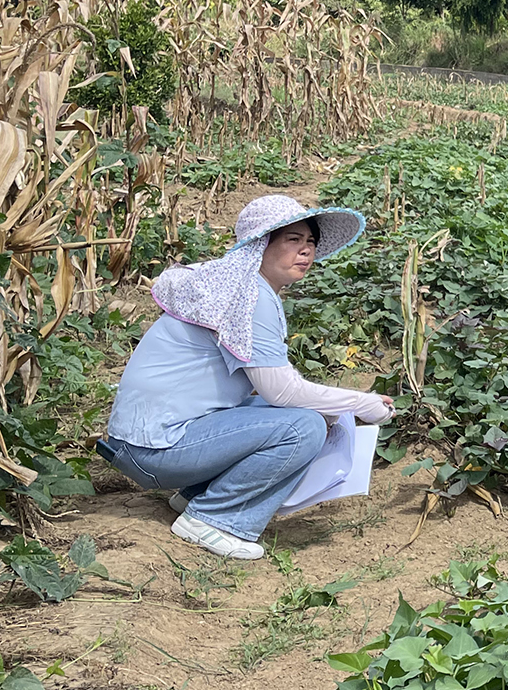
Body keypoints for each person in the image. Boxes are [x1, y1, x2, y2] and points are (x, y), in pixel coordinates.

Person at [96, 195, 394, 562]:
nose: (306, 252)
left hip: (145, 443)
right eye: (293, 240)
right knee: (302, 427)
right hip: (155, 450)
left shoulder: (235, 287)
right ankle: (215, 517)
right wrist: (359, 403)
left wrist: (331, 408)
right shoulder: (250, 296)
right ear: (261, 245)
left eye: (311, 243)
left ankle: (193, 495)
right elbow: (280, 390)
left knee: (299, 415)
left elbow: (269, 391)